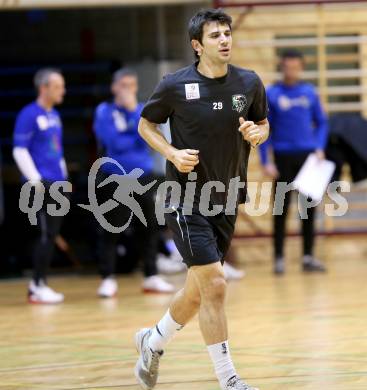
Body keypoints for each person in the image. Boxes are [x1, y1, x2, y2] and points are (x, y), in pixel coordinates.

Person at [135, 9, 269, 390]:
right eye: (215, 35)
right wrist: (173, 154)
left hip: (225, 197)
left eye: (227, 33)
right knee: (216, 285)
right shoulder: (175, 85)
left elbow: (262, 123)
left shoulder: (249, 82)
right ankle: (229, 379)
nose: (225, 40)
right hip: (183, 196)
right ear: (198, 45)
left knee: (197, 292)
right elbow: (146, 124)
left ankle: (153, 340)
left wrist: (257, 134)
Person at [93, 68, 174, 297]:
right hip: (113, 177)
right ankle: (107, 278)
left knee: (149, 227)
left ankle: (151, 276)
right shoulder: (104, 111)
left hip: (143, 176)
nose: (128, 89)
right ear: (114, 87)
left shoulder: (141, 110)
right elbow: (112, 142)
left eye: (132, 85)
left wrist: (129, 119)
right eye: (123, 85)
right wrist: (132, 129)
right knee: (110, 228)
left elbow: (147, 140)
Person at [259, 50, 328, 275]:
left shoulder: (309, 92)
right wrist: (265, 160)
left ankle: (308, 256)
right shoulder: (272, 93)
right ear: (282, 67)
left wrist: (318, 146)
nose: (291, 71)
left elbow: (322, 122)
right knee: (280, 209)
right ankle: (278, 257)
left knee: (307, 209)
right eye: (287, 67)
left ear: (301, 67)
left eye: (295, 67)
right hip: (282, 159)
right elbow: (263, 129)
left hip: (307, 159)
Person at [13, 68, 67, 304]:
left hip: (57, 184)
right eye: (57, 86)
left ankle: (41, 283)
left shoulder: (54, 115)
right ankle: (37, 285)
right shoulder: (29, 114)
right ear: (43, 88)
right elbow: (19, 149)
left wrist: (64, 177)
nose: (62, 91)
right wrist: (35, 179)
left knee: (52, 233)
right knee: (45, 234)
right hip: (40, 185)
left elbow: (58, 151)